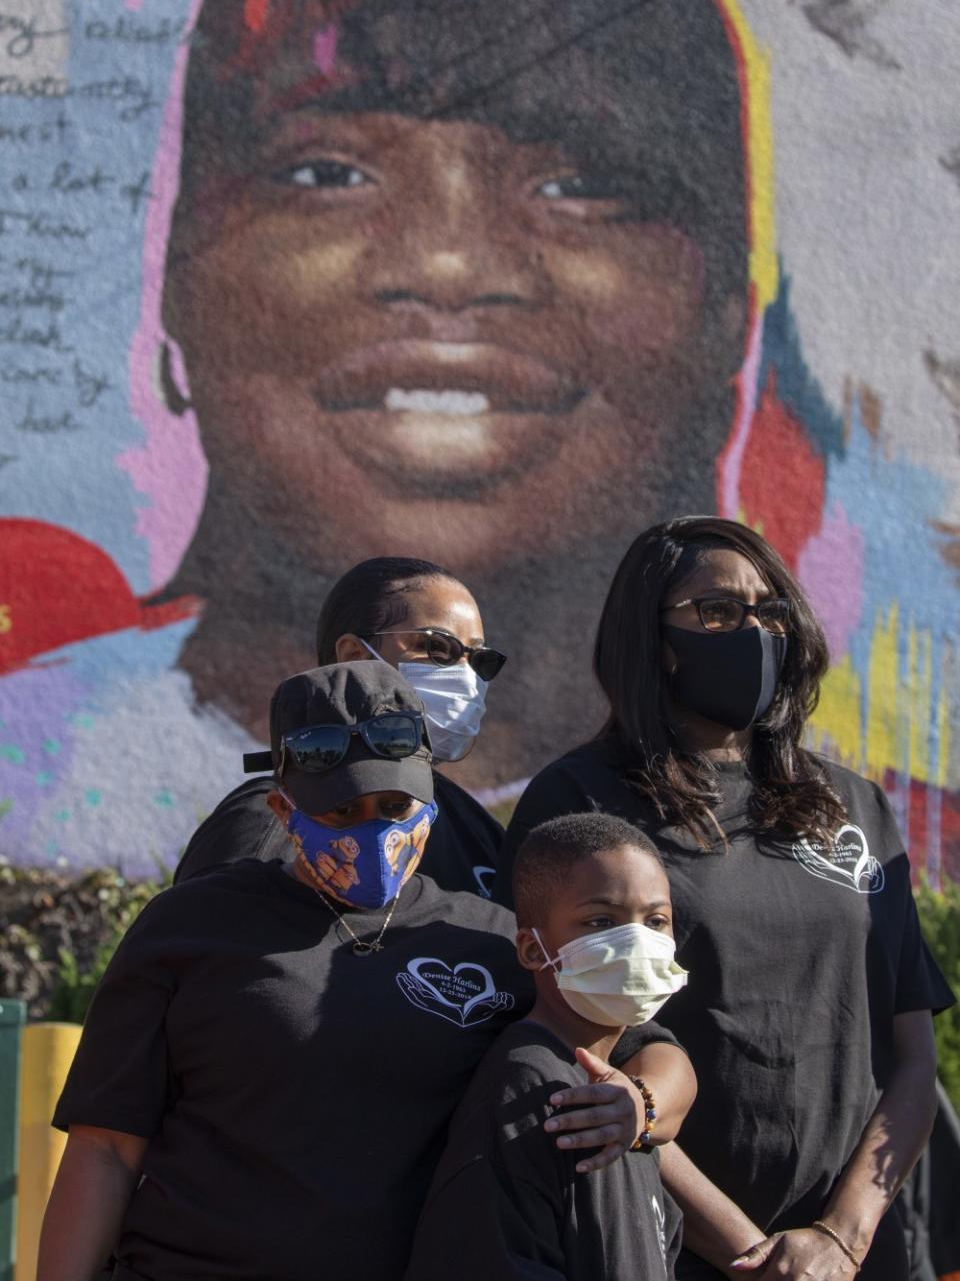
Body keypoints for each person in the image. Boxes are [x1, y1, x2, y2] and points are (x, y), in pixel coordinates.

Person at [148, 0, 757, 796]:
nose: (447, 264)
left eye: (582, 185)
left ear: (727, 314)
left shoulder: (819, 835)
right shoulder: (43, 766)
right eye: (327, 174)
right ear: (179, 284)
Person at [39, 660, 695, 1281]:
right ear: (281, 811)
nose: (372, 832)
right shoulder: (188, 927)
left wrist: (639, 1104)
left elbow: (653, 1053)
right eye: (340, 812)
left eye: (394, 808)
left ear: (430, 798)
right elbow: (104, 1150)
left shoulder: (490, 940)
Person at [494, 516, 954, 1281]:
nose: (753, 630)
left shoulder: (853, 807)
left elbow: (911, 1055)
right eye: (716, 611)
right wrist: (754, 1253)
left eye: (769, 609)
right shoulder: (581, 803)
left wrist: (842, 1238)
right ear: (656, 641)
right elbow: (570, 1051)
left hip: (861, 1251)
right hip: (678, 1246)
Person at [405, 812, 688, 1280]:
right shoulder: (532, 1086)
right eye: (601, 920)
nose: (637, 942)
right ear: (534, 950)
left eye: (656, 920)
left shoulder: (627, 1100)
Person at [175, 556, 505, 895]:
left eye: (479, 660)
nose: (466, 678)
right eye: (437, 648)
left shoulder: (473, 825)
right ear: (354, 657)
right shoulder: (275, 821)